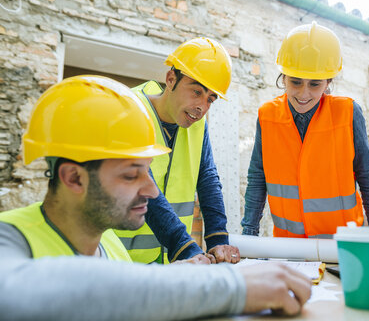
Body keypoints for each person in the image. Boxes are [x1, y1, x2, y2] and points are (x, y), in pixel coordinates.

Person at [0, 75, 312, 320]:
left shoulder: (111, 246)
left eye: (148, 172)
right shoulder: (10, 236)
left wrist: (179, 271)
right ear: (73, 177)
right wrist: (231, 287)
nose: (152, 191)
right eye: (130, 173)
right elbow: (17, 293)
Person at [241, 21, 369, 238]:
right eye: (295, 82)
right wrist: (249, 232)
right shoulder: (267, 115)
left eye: (314, 84)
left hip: (341, 245)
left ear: (328, 82)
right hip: (290, 247)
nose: (303, 94)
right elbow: (257, 177)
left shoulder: (348, 112)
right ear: (283, 77)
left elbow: (368, 176)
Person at [115, 37, 239, 264]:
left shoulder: (197, 125)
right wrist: (183, 246)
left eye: (211, 99)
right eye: (196, 92)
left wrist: (217, 236)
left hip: (164, 262)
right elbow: (140, 183)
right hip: (118, 260)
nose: (202, 107)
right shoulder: (130, 110)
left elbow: (208, 178)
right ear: (171, 79)